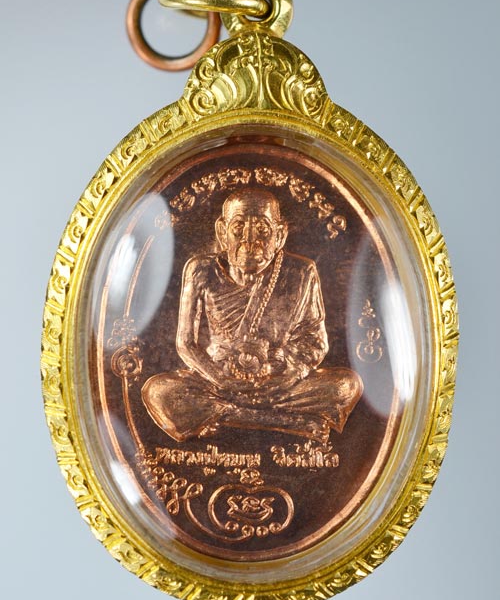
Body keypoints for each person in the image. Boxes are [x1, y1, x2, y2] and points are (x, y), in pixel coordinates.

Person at [142, 188, 362, 442]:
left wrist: (286, 376)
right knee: (159, 391)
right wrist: (222, 380)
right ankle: (282, 421)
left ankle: (229, 415)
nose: (249, 240)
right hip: (218, 381)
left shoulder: (301, 272)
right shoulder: (200, 270)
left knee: (347, 385)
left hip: (277, 384)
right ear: (222, 233)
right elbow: (186, 343)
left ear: (280, 235)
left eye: (262, 230)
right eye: (238, 228)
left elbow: (314, 343)